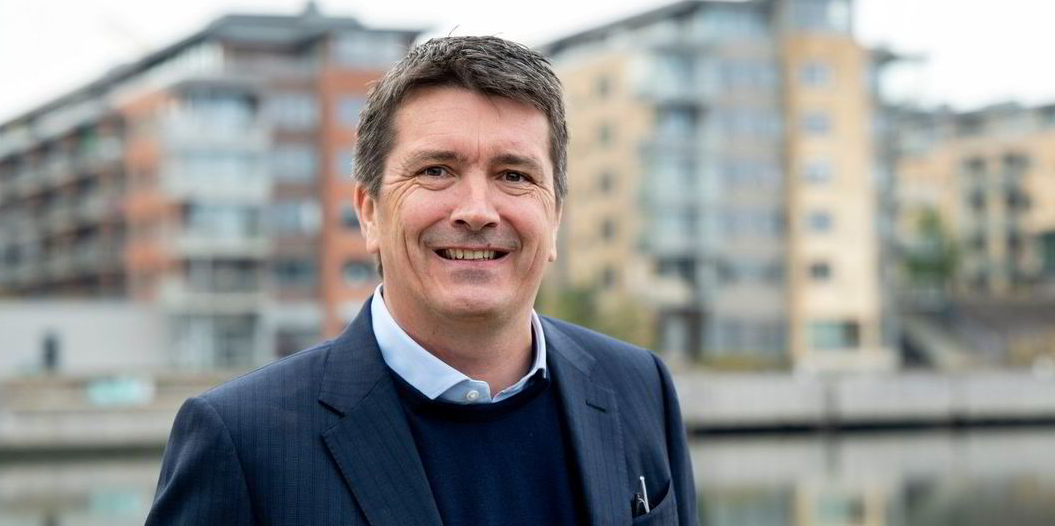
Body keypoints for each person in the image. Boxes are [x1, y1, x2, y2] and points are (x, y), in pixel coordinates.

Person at [146, 36, 698, 525]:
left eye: (514, 175)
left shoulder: (638, 386)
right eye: (436, 171)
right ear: (369, 213)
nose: (477, 210)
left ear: (554, 218)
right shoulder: (242, 440)